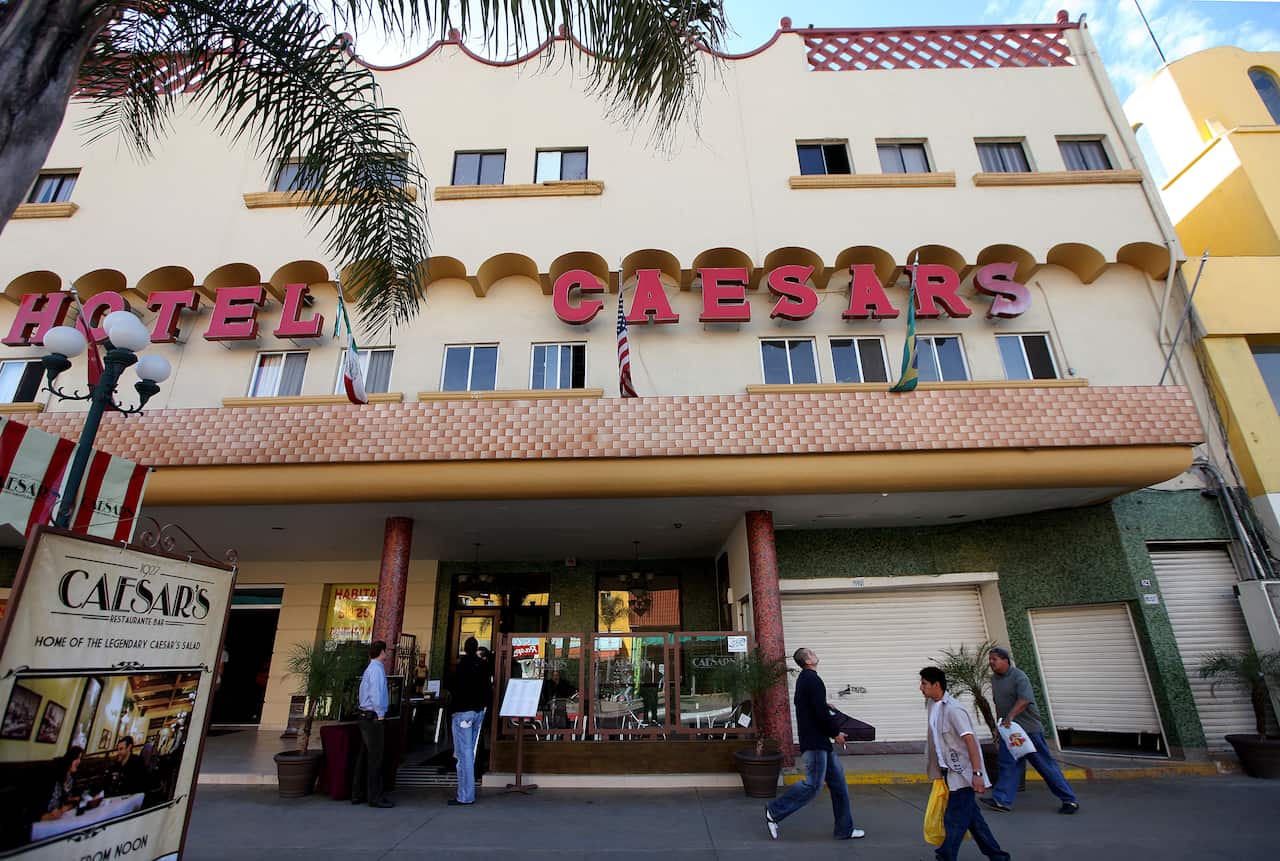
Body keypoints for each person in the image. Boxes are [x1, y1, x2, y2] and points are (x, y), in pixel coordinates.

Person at [764, 648, 864, 842]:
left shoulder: (805, 679)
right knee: (813, 785)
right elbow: (818, 713)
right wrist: (836, 733)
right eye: (811, 653)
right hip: (816, 743)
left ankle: (844, 829)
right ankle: (774, 811)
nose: (814, 653)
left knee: (839, 785)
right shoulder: (813, 680)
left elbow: (809, 706)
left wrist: (826, 706)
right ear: (808, 661)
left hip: (819, 743)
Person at [920, 666, 1010, 861]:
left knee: (954, 818)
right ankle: (998, 856)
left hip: (964, 773)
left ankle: (945, 856)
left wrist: (977, 774)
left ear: (937, 685)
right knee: (973, 819)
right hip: (948, 771)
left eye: (924, 684)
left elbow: (971, 742)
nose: (921, 688)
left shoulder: (954, 710)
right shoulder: (932, 705)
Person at [982, 647, 1079, 815]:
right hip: (1010, 731)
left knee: (1044, 765)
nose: (991, 662)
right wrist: (999, 725)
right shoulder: (995, 680)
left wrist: (1011, 716)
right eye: (990, 659)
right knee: (1007, 765)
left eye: (995, 659)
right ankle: (1001, 800)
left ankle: (1069, 800)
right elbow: (999, 703)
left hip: (1028, 730)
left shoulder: (1019, 676)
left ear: (1006, 660)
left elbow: (1025, 699)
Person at [448, 636, 492, 806]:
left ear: (465, 648)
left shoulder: (460, 666)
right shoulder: (483, 666)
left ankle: (465, 795)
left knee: (463, 754)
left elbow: (454, 688)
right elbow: (488, 689)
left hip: (463, 713)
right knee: (469, 752)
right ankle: (467, 793)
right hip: (477, 713)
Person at [351, 639, 394, 808]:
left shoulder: (370, 669)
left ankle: (357, 793)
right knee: (376, 758)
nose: (387, 654)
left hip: (365, 716)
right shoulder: (376, 670)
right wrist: (381, 715)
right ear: (382, 652)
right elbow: (377, 693)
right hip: (373, 717)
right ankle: (375, 797)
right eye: (386, 651)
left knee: (364, 756)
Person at [40, 746, 83, 821]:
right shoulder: (53, 776)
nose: (79, 761)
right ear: (70, 759)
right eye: (77, 758)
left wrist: (74, 799)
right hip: (46, 817)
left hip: (59, 816)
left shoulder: (70, 778)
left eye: (80, 759)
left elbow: (66, 799)